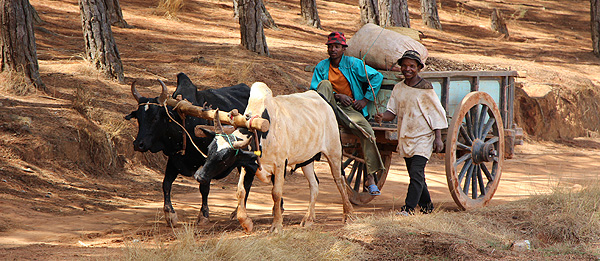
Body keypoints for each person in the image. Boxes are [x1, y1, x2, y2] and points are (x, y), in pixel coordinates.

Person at [310, 31, 385, 196]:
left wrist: (365, 100)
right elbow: (314, 89)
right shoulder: (322, 66)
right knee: (323, 84)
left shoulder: (353, 64)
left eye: (337, 46)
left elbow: (377, 77)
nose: (333, 50)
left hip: (349, 109)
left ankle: (371, 178)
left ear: (343, 49)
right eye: (330, 47)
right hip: (327, 109)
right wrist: (337, 96)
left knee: (367, 132)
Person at [375, 50, 448, 215]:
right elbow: (391, 113)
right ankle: (427, 208)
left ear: (419, 68)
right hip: (406, 137)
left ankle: (408, 209)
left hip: (423, 137)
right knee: (417, 176)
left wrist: (438, 138)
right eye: (405, 66)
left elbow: (436, 114)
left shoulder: (425, 89)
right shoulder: (398, 88)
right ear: (400, 67)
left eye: (412, 66)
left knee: (416, 173)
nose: (408, 69)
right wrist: (382, 116)